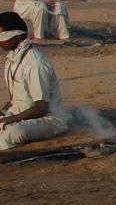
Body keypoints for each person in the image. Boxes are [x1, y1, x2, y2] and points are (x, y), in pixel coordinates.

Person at [1, 11, 70, 150]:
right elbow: (14, 100)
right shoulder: (11, 59)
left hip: (48, 119)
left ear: (18, 36)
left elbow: (41, 108)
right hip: (20, 114)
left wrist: (9, 120)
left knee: (13, 133)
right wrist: (3, 114)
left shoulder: (35, 63)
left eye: (1, 36)